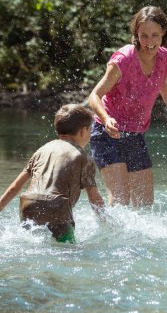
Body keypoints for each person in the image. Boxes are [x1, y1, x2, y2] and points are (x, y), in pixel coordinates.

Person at [88, 6, 167, 207]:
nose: (150, 42)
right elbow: (94, 96)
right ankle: (109, 237)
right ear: (136, 33)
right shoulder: (124, 59)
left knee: (144, 205)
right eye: (144, 35)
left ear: (163, 32)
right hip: (107, 133)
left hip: (135, 135)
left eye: (155, 35)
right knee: (120, 201)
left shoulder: (164, 57)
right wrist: (106, 118)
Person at [0, 104, 108, 244]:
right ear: (83, 131)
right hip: (58, 209)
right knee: (68, 251)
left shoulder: (42, 150)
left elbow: (15, 186)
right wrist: (106, 222)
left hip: (28, 205)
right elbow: (94, 198)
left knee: (31, 245)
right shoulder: (82, 157)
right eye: (90, 131)